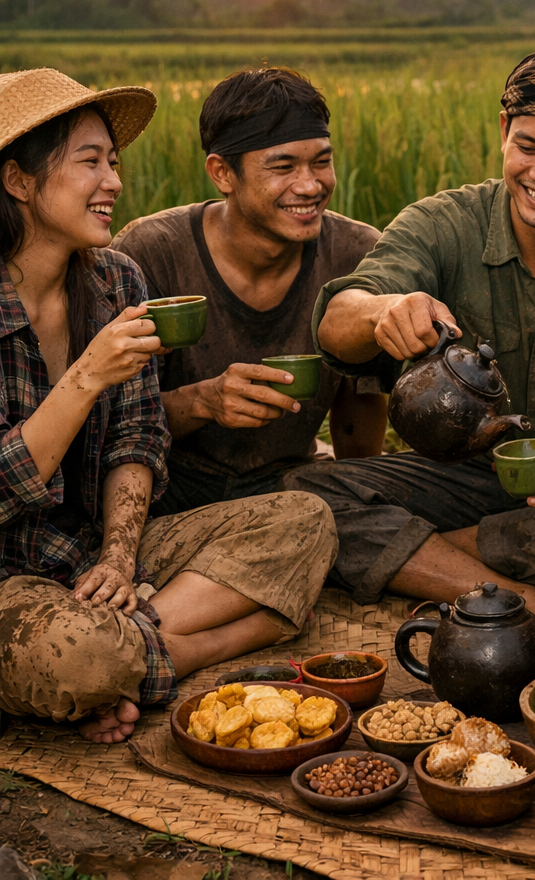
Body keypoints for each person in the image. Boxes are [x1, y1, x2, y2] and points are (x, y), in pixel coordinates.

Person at [286, 46, 535, 649]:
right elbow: (339, 317)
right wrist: (383, 311)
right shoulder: (443, 222)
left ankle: (448, 558)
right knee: (308, 497)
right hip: (465, 477)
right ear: (503, 131)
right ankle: (529, 596)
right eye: (527, 148)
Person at [0, 69, 337, 745]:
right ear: (19, 182)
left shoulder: (114, 276)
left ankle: (128, 656)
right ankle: (176, 651)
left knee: (308, 520)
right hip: (11, 573)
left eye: (114, 163)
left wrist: (120, 557)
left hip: (95, 550)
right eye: (90, 163)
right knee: (79, 656)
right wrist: (85, 375)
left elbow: (138, 433)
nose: (113, 184)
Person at [112, 68, 384, 515]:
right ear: (222, 173)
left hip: (293, 483)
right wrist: (203, 401)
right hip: (168, 484)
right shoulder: (151, 251)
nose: (311, 185)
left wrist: (363, 499)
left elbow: (361, 407)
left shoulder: (357, 254)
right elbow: (110, 422)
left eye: (321, 161)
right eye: (283, 167)